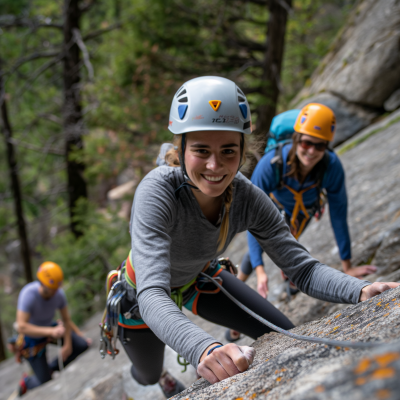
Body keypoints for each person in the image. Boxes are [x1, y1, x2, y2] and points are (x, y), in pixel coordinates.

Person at [115, 76, 398, 396]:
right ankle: (157, 378)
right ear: (180, 148)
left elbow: (302, 269)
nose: (214, 164)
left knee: (286, 336)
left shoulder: (246, 197)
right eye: (200, 150)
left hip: (197, 278)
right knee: (148, 372)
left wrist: (361, 290)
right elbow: (152, 294)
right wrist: (203, 349)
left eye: (228, 151)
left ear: (243, 150)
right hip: (140, 293)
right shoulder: (158, 192)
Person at [15, 261, 91, 396]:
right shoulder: (28, 295)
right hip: (31, 338)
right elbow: (22, 326)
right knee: (44, 381)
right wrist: (50, 331)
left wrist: (67, 344)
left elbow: (66, 320)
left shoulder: (58, 294)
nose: (56, 292)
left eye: (57, 288)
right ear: (43, 284)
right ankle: (27, 382)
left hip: (50, 329)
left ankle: (50, 368)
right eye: (53, 289)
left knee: (82, 345)